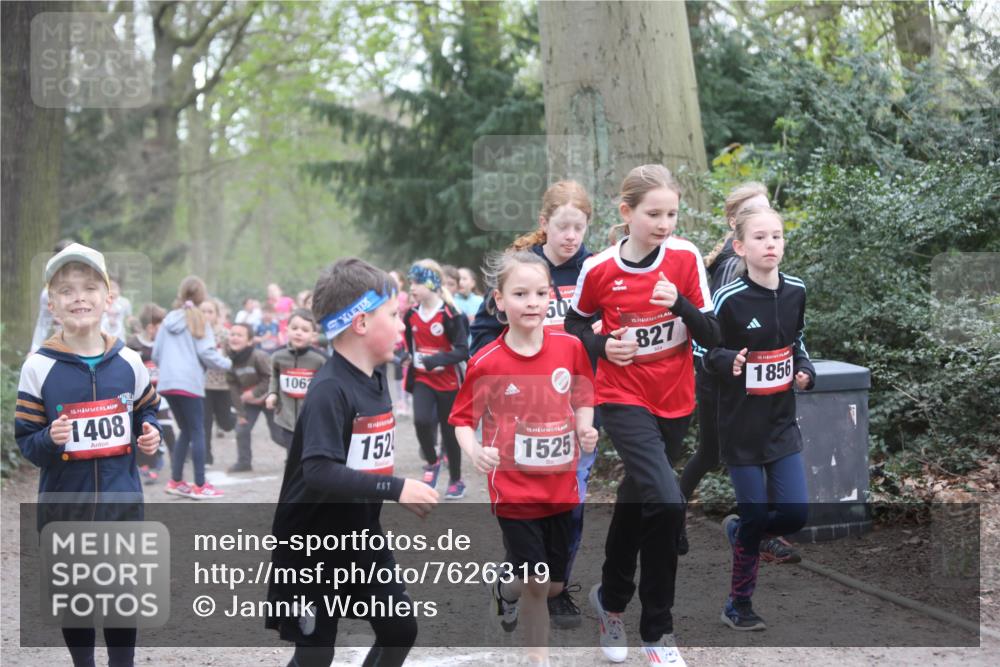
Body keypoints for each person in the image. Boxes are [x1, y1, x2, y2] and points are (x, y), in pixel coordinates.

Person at [565, 165, 719, 666]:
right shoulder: (600, 269)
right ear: (626, 213)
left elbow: (712, 333)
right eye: (654, 214)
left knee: (640, 497)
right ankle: (658, 630)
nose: (665, 224)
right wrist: (604, 345)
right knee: (668, 502)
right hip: (622, 394)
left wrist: (680, 306)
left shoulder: (685, 258)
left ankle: (610, 601)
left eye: (672, 213)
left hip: (675, 397)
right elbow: (573, 330)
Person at [265, 257, 439, 667]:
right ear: (360, 323)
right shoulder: (329, 389)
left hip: (361, 537)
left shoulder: (378, 375)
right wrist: (397, 488)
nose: (402, 324)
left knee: (400, 630)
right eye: (394, 315)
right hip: (309, 546)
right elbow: (319, 471)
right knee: (315, 655)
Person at [15, 243, 162, 667]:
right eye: (66, 290)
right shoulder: (38, 367)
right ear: (52, 304)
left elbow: (147, 411)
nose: (79, 296)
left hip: (122, 505)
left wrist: (149, 433)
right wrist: (50, 439)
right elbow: (27, 441)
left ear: (108, 298)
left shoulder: (130, 361)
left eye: (89, 287)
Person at [449, 250, 598, 667]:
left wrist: (585, 427)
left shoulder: (569, 348)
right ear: (499, 300)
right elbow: (462, 419)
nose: (532, 302)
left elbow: (584, 395)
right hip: (514, 490)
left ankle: (503, 589)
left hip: (561, 487)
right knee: (537, 582)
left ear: (550, 296)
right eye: (520, 293)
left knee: (551, 585)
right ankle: (538, 658)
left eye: (539, 292)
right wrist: (475, 449)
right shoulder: (487, 362)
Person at [470, 179, 598, 628]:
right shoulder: (521, 271)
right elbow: (483, 337)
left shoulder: (594, 271)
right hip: (518, 414)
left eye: (578, 227)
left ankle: (553, 587)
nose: (570, 236)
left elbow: (597, 337)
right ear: (545, 225)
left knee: (569, 501)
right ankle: (526, 583)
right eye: (562, 226)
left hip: (570, 411)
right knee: (524, 506)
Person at [704, 205, 814, 631]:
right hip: (741, 429)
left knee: (794, 515)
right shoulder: (728, 298)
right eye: (760, 238)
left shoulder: (796, 290)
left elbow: (798, 339)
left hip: (782, 423)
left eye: (777, 236)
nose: (771, 244)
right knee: (755, 517)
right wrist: (727, 359)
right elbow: (702, 351)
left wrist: (806, 370)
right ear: (740, 247)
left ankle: (741, 532)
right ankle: (738, 605)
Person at [679, 182, 801, 562]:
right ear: (735, 227)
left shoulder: (779, 276)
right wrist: (726, 362)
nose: (766, 232)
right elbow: (711, 334)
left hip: (752, 384)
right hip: (722, 381)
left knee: (720, 453)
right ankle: (675, 514)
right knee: (711, 453)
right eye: (753, 215)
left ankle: (760, 528)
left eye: (769, 214)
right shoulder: (733, 271)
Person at [153, 275, 232, 499]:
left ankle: (176, 480)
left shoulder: (168, 319)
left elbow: (157, 354)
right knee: (198, 431)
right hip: (188, 384)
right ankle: (200, 484)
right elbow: (207, 353)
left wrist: (169, 370)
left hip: (167, 383)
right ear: (202, 296)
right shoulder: (199, 320)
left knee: (185, 431)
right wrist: (228, 363)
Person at [403, 259, 470, 499]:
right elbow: (409, 344)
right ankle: (432, 462)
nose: (412, 287)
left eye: (417, 282)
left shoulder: (450, 314)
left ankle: (456, 479)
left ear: (431, 284)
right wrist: (407, 356)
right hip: (423, 380)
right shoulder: (410, 314)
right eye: (410, 282)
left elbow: (463, 350)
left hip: (449, 383)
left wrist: (439, 359)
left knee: (449, 433)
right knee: (421, 421)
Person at [126, 302, 175, 483]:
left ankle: (173, 460)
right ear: (151, 327)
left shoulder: (164, 344)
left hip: (160, 395)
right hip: (141, 396)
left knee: (167, 428)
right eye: (161, 327)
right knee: (142, 430)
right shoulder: (132, 344)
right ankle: (148, 464)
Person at [265, 308, 327, 449]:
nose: (299, 332)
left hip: (311, 418)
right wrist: (272, 393)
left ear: (313, 335)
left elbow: (328, 384)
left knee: (309, 452)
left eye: (305, 330)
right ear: (287, 330)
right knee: (292, 452)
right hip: (286, 417)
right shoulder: (278, 356)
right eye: (294, 328)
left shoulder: (320, 359)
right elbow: (274, 376)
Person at [226, 322, 277, 472]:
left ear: (250, 341)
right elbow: (234, 389)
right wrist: (240, 413)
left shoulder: (258, 356)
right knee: (241, 429)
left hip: (270, 398)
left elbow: (271, 378)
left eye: (239, 335)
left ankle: (297, 456)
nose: (234, 338)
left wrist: (254, 393)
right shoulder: (229, 361)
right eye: (232, 334)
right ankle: (244, 462)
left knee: (278, 435)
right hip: (249, 402)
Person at [200, 298, 236, 467]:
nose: (206, 315)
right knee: (205, 423)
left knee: (226, 423)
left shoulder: (224, 334)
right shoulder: (196, 333)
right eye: (203, 311)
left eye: (210, 311)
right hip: (203, 385)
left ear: (216, 315)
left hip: (223, 384)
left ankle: (233, 416)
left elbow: (234, 354)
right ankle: (206, 456)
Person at [30, 238, 75, 353]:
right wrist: (34, 349)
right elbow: (42, 323)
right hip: (63, 348)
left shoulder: (90, 288)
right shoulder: (48, 293)